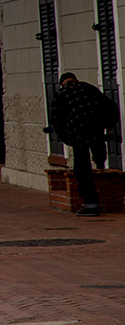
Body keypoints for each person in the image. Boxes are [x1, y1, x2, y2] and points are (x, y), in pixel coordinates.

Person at [53, 72, 115, 217]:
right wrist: (108, 124)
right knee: (99, 153)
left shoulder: (60, 95)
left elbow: (57, 121)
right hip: (95, 129)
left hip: (77, 133)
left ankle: (90, 204)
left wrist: (67, 139)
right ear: (76, 80)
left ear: (62, 84)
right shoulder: (88, 88)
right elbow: (110, 105)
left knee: (82, 168)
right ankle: (100, 163)